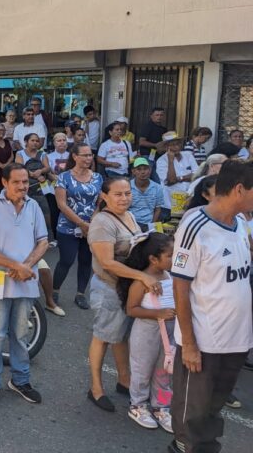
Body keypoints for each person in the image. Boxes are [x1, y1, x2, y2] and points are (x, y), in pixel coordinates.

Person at [169, 160, 253, 453]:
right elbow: (180, 287)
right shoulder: (195, 226)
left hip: (237, 339)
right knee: (192, 413)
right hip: (205, 341)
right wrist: (189, 344)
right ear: (240, 189)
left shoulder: (240, 223)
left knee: (213, 408)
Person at [86, 177, 163, 413]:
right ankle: (96, 388)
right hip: (108, 288)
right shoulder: (102, 222)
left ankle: (124, 380)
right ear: (104, 196)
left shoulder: (128, 215)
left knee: (120, 335)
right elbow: (107, 262)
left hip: (125, 288)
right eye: (118, 194)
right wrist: (142, 277)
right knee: (103, 337)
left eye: (127, 193)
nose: (124, 198)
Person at [0, 163, 49, 406]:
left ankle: (20, 380)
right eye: (16, 182)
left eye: (25, 181)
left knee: (21, 334)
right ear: (4, 182)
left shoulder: (33, 206)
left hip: (26, 280)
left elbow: (43, 242)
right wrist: (17, 266)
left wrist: (26, 266)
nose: (22, 186)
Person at [116, 232, 176, 433]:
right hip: (146, 333)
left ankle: (162, 406)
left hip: (169, 333)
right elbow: (131, 309)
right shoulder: (141, 282)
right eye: (170, 256)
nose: (174, 259)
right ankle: (138, 405)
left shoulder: (169, 276)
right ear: (153, 259)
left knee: (164, 372)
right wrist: (158, 313)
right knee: (142, 369)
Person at [52, 143, 102, 312]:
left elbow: (100, 202)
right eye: (85, 155)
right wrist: (81, 223)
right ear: (75, 156)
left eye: (90, 155)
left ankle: (80, 294)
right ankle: (54, 291)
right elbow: (61, 204)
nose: (89, 158)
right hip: (67, 226)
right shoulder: (64, 177)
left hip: (90, 227)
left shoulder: (97, 177)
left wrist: (92, 222)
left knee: (86, 261)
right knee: (66, 260)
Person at [156, 133, 199, 214]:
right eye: (172, 145)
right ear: (166, 147)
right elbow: (171, 181)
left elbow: (197, 175)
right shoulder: (161, 161)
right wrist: (171, 161)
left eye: (178, 144)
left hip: (189, 199)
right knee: (173, 220)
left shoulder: (188, 155)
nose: (176, 147)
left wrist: (179, 178)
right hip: (171, 202)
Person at [129, 158, 166, 227]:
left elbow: (158, 209)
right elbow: (125, 209)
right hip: (131, 223)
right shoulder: (127, 186)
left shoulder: (157, 187)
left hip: (150, 223)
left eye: (145, 169)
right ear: (133, 171)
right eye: (139, 169)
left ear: (150, 170)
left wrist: (151, 225)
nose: (143, 172)